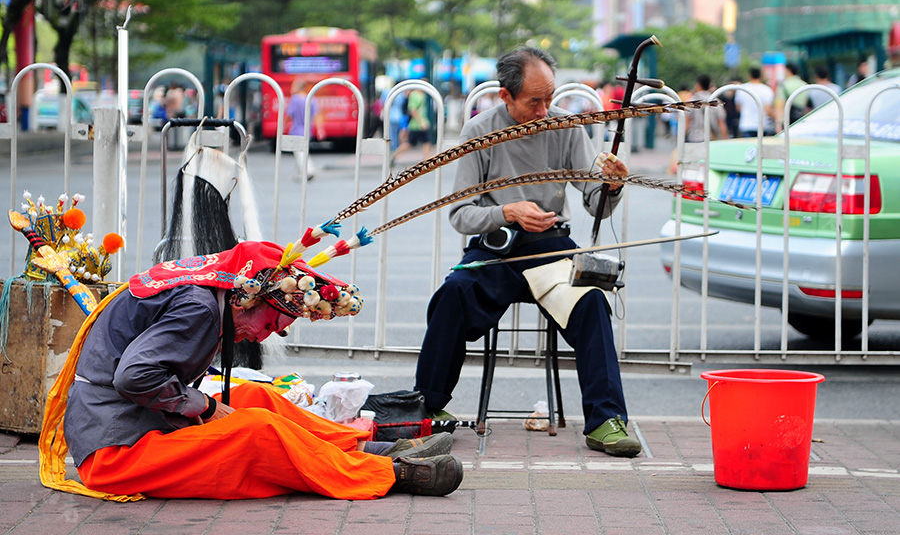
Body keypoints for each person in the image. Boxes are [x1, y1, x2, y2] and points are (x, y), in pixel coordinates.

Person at [41, 241, 463, 501]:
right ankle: (387, 472)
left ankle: (362, 446)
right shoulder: (200, 307)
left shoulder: (209, 292)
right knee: (258, 431)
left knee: (258, 398)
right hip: (117, 454)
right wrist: (205, 409)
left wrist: (203, 406)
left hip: (144, 423)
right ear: (247, 299)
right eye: (272, 324)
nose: (264, 337)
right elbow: (134, 377)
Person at [414, 47, 642, 458]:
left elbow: (595, 202)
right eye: (533, 101)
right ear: (505, 96)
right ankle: (427, 407)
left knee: (591, 301)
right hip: (496, 251)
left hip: (553, 250)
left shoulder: (566, 128)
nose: (544, 109)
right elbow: (461, 215)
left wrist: (611, 186)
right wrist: (507, 211)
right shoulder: (479, 132)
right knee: (452, 295)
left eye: (549, 98)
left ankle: (607, 420)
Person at [286, 77, 324, 180]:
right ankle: (303, 171)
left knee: (299, 152)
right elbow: (317, 115)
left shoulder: (294, 99)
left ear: (298, 87)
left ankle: (308, 170)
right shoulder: (311, 99)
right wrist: (320, 129)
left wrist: (283, 126)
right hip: (307, 130)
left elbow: (289, 115)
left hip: (296, 130)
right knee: (302, 151)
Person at [684, 75, 727, 142]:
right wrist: (724, 140)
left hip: (695, 138)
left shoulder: (691, 101)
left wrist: (682, 137)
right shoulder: (716, 101)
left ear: (698, 85)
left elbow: (687, 123)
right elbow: (721, 122)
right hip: (712, 139)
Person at [734, 67, 775, 137]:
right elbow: (768, 110)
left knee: (749, 147)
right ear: (760, 76)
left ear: (749, 75)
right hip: (763, 125)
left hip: (746, 124)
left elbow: (738, 108)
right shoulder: (766, 90)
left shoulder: (742, 89)